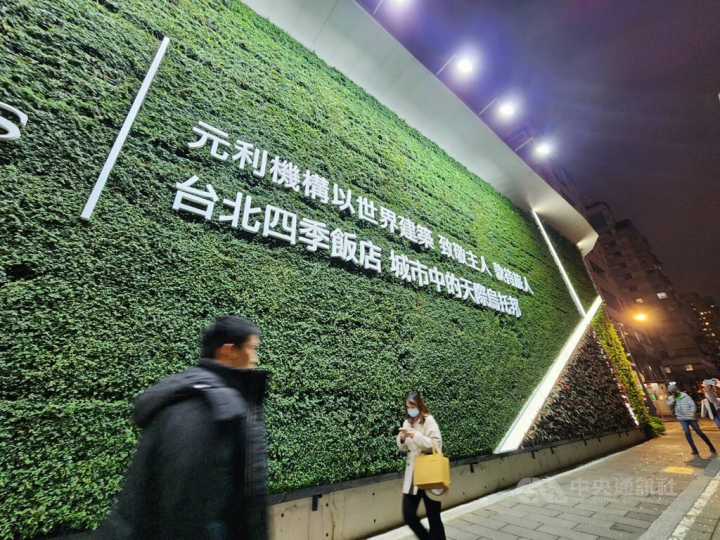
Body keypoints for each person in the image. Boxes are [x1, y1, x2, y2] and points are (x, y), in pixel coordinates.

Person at [95, 316, 269, 540]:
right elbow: (187, 511)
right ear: (229, 351)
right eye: (252, 349)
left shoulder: (201, 397)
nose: (255, 359)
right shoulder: (207, 407)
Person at [396, 392, 446, 540]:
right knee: (408, 515)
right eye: (408, 407)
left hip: (430, 474)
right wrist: (402, 439)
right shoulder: (407, 423)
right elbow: (403, 448)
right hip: (413, 477)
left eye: (413, 406)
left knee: (434, 518)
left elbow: (436, 445)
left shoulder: (429, 421)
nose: (411, 409)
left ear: (419, 405)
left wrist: (415, 436)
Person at [668, 383, 716, 456]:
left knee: (699, 432)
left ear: (676, 390)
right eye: (671, 392)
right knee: (687, 432)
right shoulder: (671, 398)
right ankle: (694, 449)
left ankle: (711, 446)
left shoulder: (685, 396)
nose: (673, 392)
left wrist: (692, 412)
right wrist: (673, 401)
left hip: (690, 417)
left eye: (673, 391)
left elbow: (692, 404)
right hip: (681, 418)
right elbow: (670, 406)